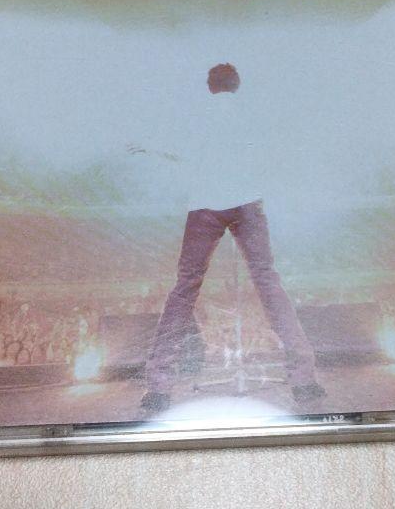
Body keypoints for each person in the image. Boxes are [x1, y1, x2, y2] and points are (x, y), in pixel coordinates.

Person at [133, 63, 325, 414]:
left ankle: (158, 386)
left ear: (210, 86)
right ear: (237, 85)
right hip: (247, 204)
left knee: (185, 288)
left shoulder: (196, 115)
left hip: (204, 206)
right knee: (267, 281)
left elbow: (176, 151)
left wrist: (147, 147)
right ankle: (304, 380)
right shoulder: (250, 113)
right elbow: (273, 151)